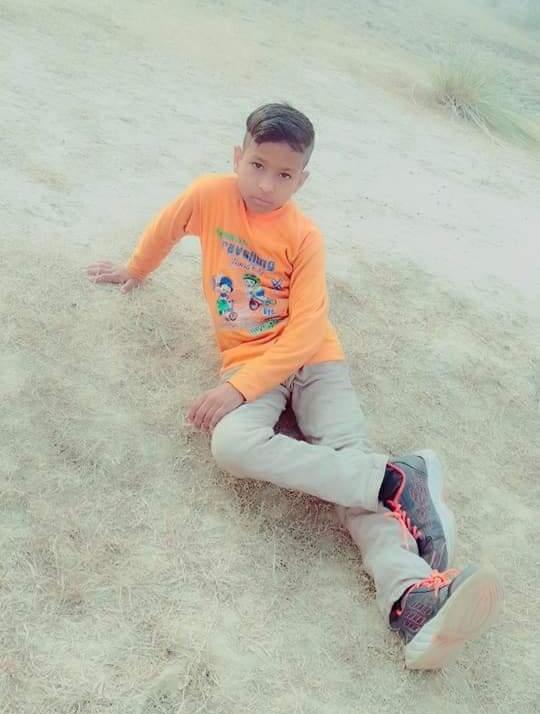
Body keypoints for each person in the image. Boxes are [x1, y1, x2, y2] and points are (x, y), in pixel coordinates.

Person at [87, 102, 502, 670]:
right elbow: (167, 226)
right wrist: (136, 269)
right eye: (257, 166)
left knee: (346, 459)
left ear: (302, 179)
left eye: (284, 175)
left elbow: (306, 330)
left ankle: (410, 598)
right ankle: (396, 480)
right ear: (238, 157)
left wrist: (237, 391)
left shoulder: (304, 236)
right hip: (248, 359)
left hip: (314, 360)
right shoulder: (209, 195)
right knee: (232, 446)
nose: (266, 184)